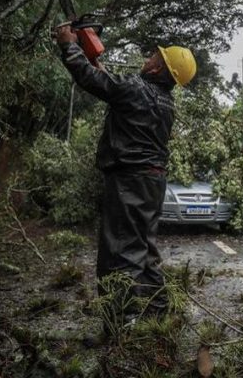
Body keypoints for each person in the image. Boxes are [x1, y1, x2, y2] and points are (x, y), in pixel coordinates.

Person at [54, 24, 196, 328]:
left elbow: (93, 81)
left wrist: (69, 45)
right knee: (144, 248)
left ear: (158, 66)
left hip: (129, 180)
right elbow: (111, 85)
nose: (147, 58)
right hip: (152, 181)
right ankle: (158, 312)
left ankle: (120, 324)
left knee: (119, 252)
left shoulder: (134, 89)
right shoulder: (165, 102)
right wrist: (91, 53)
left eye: (152, 56)